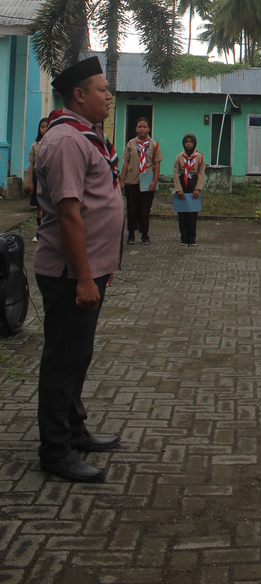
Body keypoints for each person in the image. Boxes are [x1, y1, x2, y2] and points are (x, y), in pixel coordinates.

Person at [33, 56, 123, 483]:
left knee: (77, 355)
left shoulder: (85, 137)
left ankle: (74, 429)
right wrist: (86, 278)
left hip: (87, 270)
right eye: (103, 90)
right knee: (63, 360)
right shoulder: (67, 140)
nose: (110, 96)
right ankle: (55, 450)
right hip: (70, 273)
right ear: (79, 95)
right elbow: (69, 216)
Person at [119, 117, 162, 245]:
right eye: (139, 127)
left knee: (145, 209)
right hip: (132, 181)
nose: (142, 129)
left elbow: (157, 164)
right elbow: (125, 162)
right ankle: (131, 235)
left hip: (147, 182)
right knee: (131, 209)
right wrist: (122, 179)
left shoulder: (154, 145)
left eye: (144, 127)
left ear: (149, 128)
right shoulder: (131, 144)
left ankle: (144, 235)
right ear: (136, 128)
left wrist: (155, 181)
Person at [173, 134, 205, 246]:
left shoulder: (199, 157)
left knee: (192, 214)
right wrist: (178, 189)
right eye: (186, 141)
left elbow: (201, 173)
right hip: (182, 185)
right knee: (182, 214)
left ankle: (192, 239)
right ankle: (183, 238)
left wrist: (198, 188)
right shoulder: (179, 157)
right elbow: (175, 174)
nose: (188, 144)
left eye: (191, 141)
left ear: (194, 143)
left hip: (193, 185)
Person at [27, 117, 49, 241]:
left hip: (48, 177)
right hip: (37, 177)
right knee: (39, 206)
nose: (44, 129)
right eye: (42, 127)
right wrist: (30, 181)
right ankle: (39, 232)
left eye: (46, 127)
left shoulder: (51, 143)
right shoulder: (35, 145)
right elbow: (31, 164)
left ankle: (47, 232)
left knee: (47, 205)